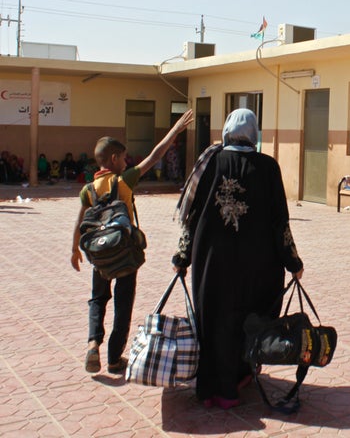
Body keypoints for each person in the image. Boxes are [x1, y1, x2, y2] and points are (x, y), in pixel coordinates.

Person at [171, 108, 304, 409]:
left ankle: (213, 388)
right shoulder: (268, 167)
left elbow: (191, 219)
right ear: (254, 132)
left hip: (212, 263)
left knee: (215, 319)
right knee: (251, 318)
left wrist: (182, 256)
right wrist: (293, 262)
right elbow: (279, 222)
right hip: (257, 265)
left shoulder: (209, 162)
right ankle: (239, 376)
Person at [70, 109, 193, 375]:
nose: (126, 161)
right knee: (123, 305)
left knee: (98, 299)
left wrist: (74, 251)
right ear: (113, 159)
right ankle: (114, 359)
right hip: (124, 254)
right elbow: (155, 155)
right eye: (123, 157)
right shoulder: (124, 181)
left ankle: (93, 343)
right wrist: (175, 130)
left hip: (99, 256)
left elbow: (80, 222)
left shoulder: (87, 190)